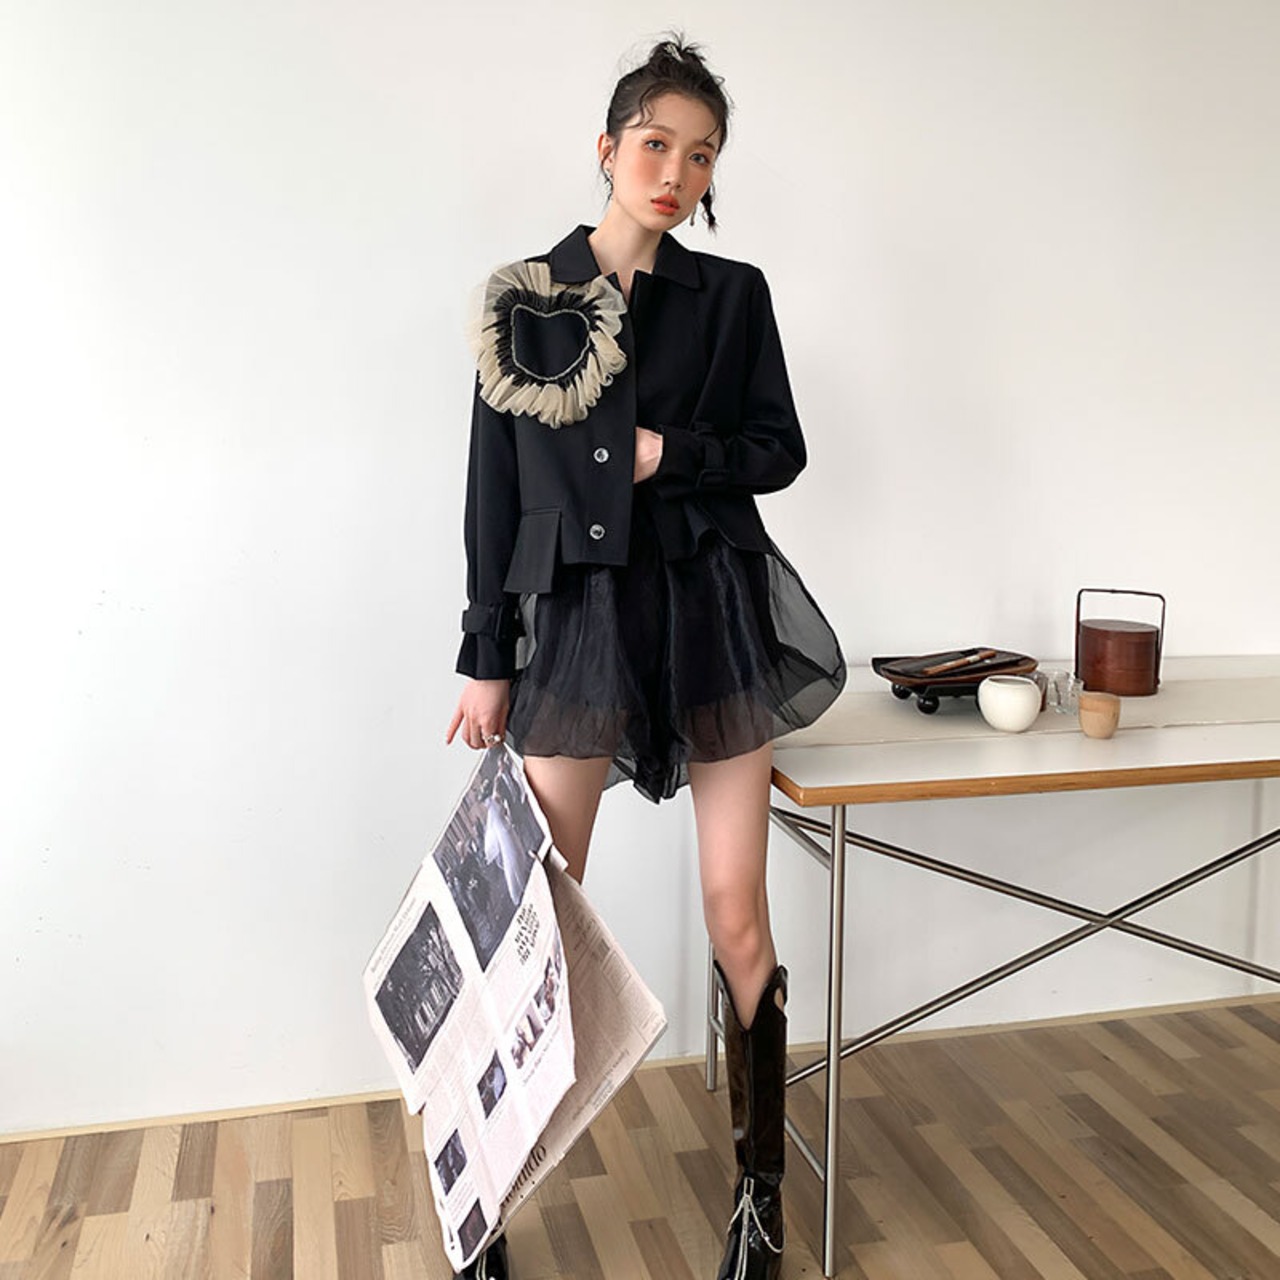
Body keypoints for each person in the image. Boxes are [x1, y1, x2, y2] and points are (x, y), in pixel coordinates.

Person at [445, 36, 846, 1280]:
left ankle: (759, 1201)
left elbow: (777, 448)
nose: (676, 172)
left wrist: (676, 455)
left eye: (702, 155)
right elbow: (493, 490)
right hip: (577, 621)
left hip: (711, 610)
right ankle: (483, 1201)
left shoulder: (731, 297)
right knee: (533, 913)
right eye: (657, 144)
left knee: (736, 910)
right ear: (608, 148)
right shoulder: (525, 300)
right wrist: (484, 652)